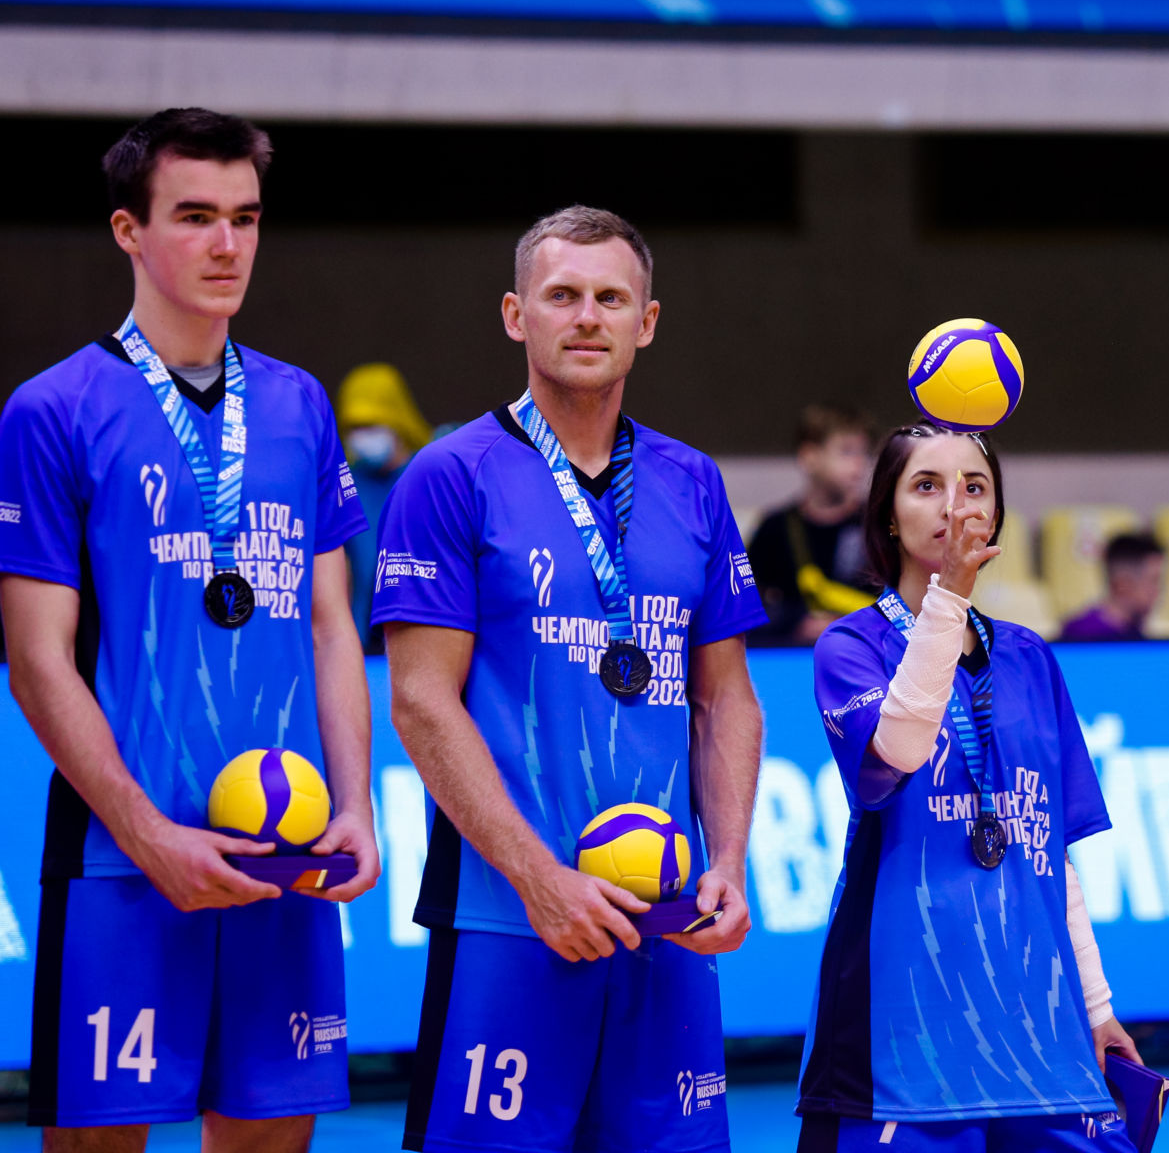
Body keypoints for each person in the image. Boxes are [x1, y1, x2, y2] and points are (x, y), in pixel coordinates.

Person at [0, 108, 380, 1150]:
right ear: (129, 230)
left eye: (246, 218)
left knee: (269, 1137)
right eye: (196, 216)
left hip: (285, 843)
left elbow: (333, 626)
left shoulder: (301, 404)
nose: (227, 245)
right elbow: (36, 660)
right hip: (124, 857)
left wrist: (354, 803)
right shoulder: (53, 409)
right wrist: (145, 830)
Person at [372, 206, 765, 1153]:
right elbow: (422, 701)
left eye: (610, 298)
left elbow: (726, 699)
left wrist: (729, 864)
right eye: (562, 296)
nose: (587, 316)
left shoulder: (694, 481)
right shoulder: (449, 474)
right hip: (509, 916)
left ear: (647, 321)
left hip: (667, 914)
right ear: (517, 315)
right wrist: (539, 878)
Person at [800, 421, 1140, 1151]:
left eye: (974, 487)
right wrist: (947, 599)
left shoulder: (1030, 658)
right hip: (899, 1039)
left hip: (1037, 1030)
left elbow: (1052, 857)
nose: (954, 504)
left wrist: (1095, 1005)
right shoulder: (851, 647)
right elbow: (896, 749)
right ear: (889, 515)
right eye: (927, 485)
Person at [747, 403, 878, 645]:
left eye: (864, 452)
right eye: (847, 452)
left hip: (866, 658)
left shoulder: (877, 525)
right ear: (809, 457)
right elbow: (744, 609)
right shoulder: (774, 528)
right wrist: (796, 623)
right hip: (785, 665)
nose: (859, 464)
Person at [335, 362, 434, 652]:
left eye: (372, 424)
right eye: (355, 427)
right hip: (365, 644)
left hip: (427, 633)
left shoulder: (432, 475)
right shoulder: (345, 485)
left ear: (397, 419)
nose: (363, 436)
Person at [1059, 532, 1165, 641]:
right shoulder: (1080, 635)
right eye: (1154, 580)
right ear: (1122, 585)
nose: (1159, 591)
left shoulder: (1136, 632)